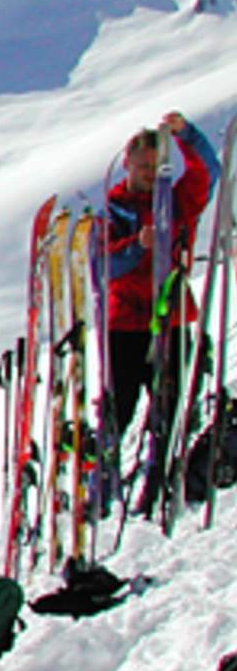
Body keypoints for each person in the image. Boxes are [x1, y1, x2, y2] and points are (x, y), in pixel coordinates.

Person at [106, 112, 221, 435]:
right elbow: (105, 267)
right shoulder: (113, 210)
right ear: (128, 163)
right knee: (120, 409)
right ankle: (108, 468)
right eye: (144, 167)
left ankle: (167, 478)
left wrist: (186, 135)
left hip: (172, 317)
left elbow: (207, 173)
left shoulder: (176, 202)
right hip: (127, 325)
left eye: (156, 167)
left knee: (172, 415)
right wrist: (136, 246)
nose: (150, 174)